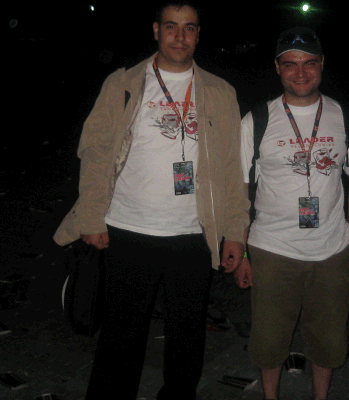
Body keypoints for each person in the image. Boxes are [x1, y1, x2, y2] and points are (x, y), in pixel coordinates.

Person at [53, 2, 249, 399]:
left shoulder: (219, 92)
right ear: (156, 30)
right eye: (171, 27)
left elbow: (232, 167)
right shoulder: (123, 83)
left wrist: (235, 232)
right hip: (128, 229)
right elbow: (95, 152)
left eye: (189, 28)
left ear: (198, 34)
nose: (180, 36)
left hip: (193, 235)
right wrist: (91, 216)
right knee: (121, 336)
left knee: (187, 335)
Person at [235, 27, 349, 400]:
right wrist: (243, 251)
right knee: (269, 341)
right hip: (272, 249)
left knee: (328, 341)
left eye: (309, 63)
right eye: (290, 64)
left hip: (331, 251)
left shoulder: (344, 117)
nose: (300, 72)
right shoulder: (256, 120)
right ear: (277, 67)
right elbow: (240, 189)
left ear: (322, 64)